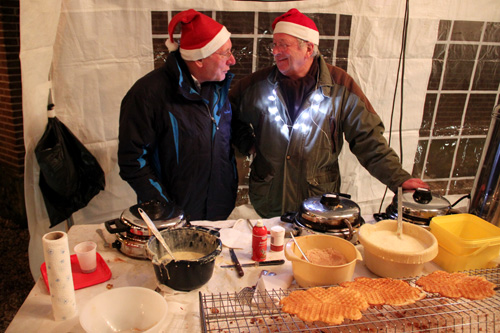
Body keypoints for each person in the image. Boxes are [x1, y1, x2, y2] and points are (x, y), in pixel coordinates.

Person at [229, 8, 428, 218]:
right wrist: (248, 144)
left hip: (318, 201)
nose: (276, 51)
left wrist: (399, 179)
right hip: (269, 198)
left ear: (308, 48)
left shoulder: (340, 87)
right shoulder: (257, 86)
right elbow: (228, 116)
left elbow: (368, 140)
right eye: (274, 45)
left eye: (283, 45)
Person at [118, 9, 238, 221]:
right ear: (199, 60)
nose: (233, 60)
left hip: (218, 212)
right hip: (171, 219)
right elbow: (132, 160)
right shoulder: (147, 94)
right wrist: (165, 208)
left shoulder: (218, 87)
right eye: (225, 53)